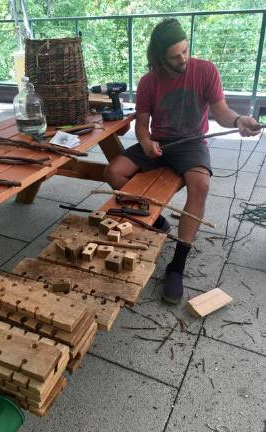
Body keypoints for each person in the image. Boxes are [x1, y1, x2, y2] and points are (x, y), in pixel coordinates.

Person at [104, 18, 261, 305]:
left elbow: (222, 111)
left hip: (191, 143)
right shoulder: (149, 82)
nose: (183, 59)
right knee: (113, 172)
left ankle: (177, 263)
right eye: (175, 56)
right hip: (159, 144)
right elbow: (142, 125)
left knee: (200, 185)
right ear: (159, 58)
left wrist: (239, 120)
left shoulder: (205, 71)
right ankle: (160, 221)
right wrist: (146, 143)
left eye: (185, 51)